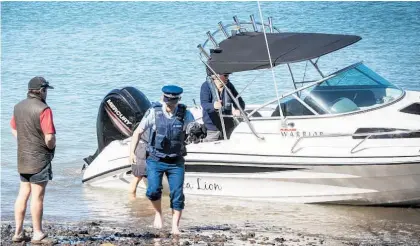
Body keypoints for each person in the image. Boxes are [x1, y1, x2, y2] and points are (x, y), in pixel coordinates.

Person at [129, 85, 194, 234]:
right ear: (162, 99)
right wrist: (131, 153)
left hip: (175, 161)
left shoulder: (185, 114)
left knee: (177, 194)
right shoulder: (154, 112)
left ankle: (174, 227)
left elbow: (192, 127)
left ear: (178, 100)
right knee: (152, 191)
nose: (170, 106)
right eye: (167, 102)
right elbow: (138, 132)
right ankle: (158, 214)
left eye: (173, 103)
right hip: (155, 159)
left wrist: (196, 131)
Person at [10, 76, 56, 244]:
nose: (47, 94)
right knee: (38, 196)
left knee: (23, 194)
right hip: (39, 160)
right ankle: (37, 233)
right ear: (41, 91)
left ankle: (18, 232)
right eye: (46, 91)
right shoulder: (44, 109)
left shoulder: (18, 107)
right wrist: (50, 147)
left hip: (23, 158)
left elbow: (13, 128)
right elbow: (49, 137)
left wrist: (24, 141)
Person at [200, 72, 245, 141]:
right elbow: (204, 104)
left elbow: (240, 101)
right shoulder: (206, 86)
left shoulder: (229, 86)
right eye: (225, 75)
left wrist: (238, 109)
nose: (228, 77)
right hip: (213, 127)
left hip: (228, 125)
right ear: (216, 76)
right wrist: (214, 106)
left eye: (228, 75)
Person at [128, 129, 149, 197]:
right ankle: (132, 201)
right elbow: (136, 133)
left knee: (138, 177)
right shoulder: (149, 119)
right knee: (137, 177)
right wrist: (131, 153)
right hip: (143, 148)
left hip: (147, 147)